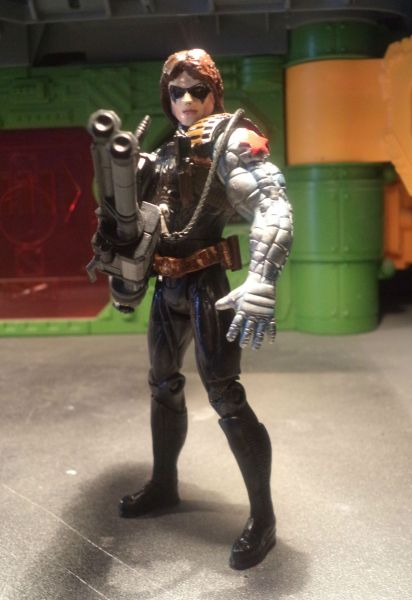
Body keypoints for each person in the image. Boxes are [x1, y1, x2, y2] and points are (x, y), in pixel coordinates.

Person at [101, 49, 293, 570]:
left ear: (214, 94)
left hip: (208, 284)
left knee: (225, 396)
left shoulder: (231, 141)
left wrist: (262, 276)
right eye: (176, 91)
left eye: (197, 90)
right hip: (167, 285)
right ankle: (165, 483)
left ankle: (263, 518)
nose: (186, 99)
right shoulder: (163, 152)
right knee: (162, 385)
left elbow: (272, 204)